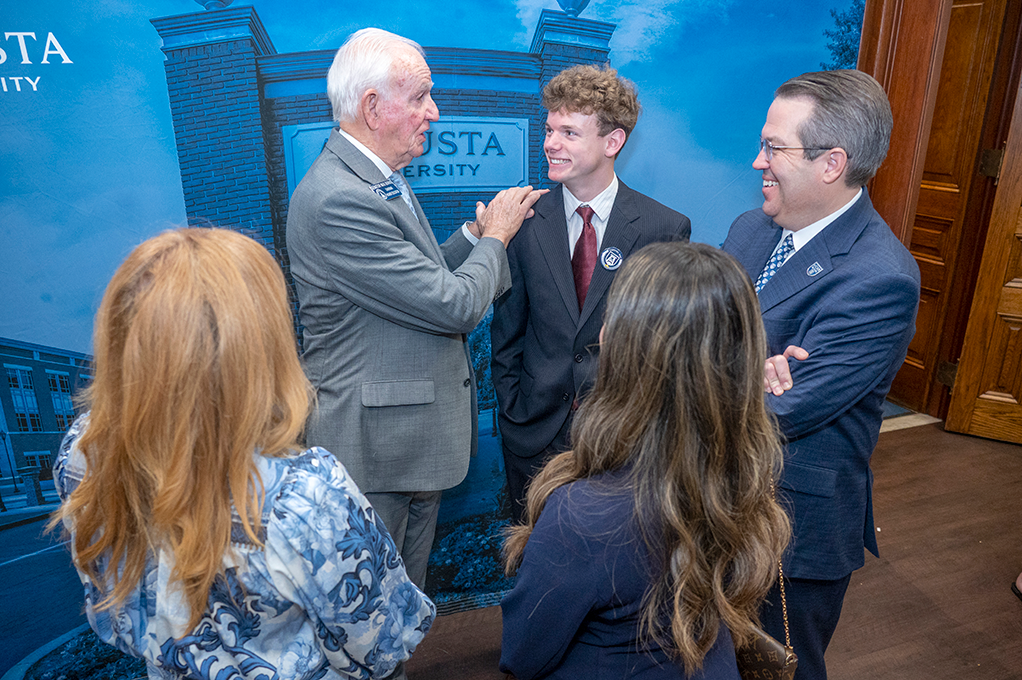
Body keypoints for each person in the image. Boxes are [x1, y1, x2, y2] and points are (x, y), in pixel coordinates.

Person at [50, 228, 434, 680]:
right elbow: (383, 644)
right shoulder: (305, 496)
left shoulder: (82, 455)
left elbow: (116, 619)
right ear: (256, 348)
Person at [286, 28, 545, 588]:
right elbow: (453, 306)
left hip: (406, 445)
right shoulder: (338, 198)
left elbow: (414, 276)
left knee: (402, 610)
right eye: (422, 95)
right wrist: (497, 238)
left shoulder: (375, 178)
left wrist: (472, 234)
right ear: (373, 107)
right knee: (375, 620)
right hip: (375, 453)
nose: (434, 110)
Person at [500, 242, 792, 679]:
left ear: (631, 352)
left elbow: (523, 654)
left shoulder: (584, 513)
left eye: (611, 321)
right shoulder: (740, 474)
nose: (600, 333)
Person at [722, 69, 921, 680]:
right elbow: (710, 335)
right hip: (711, 502)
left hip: (790, 530)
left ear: (832, 162)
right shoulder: (751, 227)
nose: (758, 161)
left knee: (775, 668)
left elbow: (786, 409)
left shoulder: (880, 277)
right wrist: (745, 370)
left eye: (773, 148)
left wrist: (721, 370)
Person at [491, 64, 690, 523]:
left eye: (569, 132)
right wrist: (513, 411)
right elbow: (508, 334)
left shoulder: (663, 228)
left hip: (621, 440)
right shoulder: (521, 221)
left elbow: (664, 346)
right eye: (548, 129)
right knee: (534, 560)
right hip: (533, 435)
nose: (550, 143)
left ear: (612, 142)